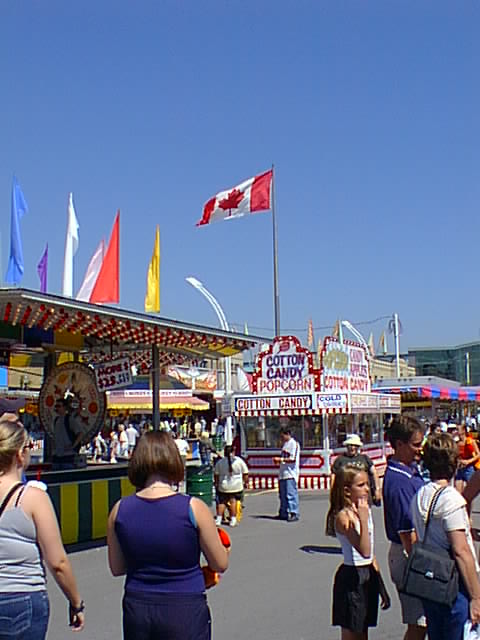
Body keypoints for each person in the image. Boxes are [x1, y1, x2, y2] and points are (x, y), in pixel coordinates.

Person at [107, 431, 229, 640]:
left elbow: (117, 568)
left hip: (138, 606)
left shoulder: (119, 510)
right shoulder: (193, 508)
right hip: (184, 605)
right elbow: (220, 563)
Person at [0, 415, 85, 637]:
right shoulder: (32, 498)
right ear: (20, 454)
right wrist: (76, 602)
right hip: (22, 598)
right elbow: (57, 562)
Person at [411, 432, 480, 640]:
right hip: (454, 583)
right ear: (454, 463)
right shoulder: (451, 499)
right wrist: (476, 597)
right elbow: (461, 551)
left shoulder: (420, 494)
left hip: (431, 581)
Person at [328, 464, 389, 639]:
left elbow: (371, 555)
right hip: (351, 576)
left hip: (367, 574)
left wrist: (380, 585)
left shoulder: (364, 511)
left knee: (363, 630)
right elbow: (364, 550)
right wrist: (362, 519)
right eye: (361, 485)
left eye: (367, 484)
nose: (367, 489)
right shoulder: (344, 517)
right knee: (352, 630)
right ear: (347, 491)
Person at [382, 416, 426, 640]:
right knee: (419, 624)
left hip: (413, 551)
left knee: (424, 622)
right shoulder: (399, 481)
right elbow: (407, 532)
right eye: (416, 444)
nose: (420, 449)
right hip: (408, 555)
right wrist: (423, 565)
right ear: (399, 444)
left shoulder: (410, 470)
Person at [331, 434, 382, 506]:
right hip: (345, 497)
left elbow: (374, 473)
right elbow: (333, 477)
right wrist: (333, 494)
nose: (352, 448)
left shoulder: (365, 458)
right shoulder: (340, 460)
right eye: (350, 445)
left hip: (363, 496)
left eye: (355, 445)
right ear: (346, 446)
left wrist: (377, 490)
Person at [214, 445, 249, 527]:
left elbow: (216, 474)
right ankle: (233, 519)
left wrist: (217, 483)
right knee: (233, 501)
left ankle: (218, 519)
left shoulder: (220, 462)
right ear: (233, 451)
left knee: (222, 502)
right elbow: (245, 473)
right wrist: (245, 482)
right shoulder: (239, 461)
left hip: (224, 485)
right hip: (236, 485)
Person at [273, 429, 300, 522]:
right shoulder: (285, 444)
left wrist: (280, 459)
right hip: (283, 473)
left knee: (290, 494)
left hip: (290, 473)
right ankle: (283, 512)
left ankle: (294, 512)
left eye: (282, 436)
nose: (282, 438)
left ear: (287, 434)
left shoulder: (294, 444)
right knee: (282, 495)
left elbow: (293, 459)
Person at [52, 398, 84, 470]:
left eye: (59, 406)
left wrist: (73, 446)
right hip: (57, 455)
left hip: (68, 455)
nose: (57, 408)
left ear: (64, 407)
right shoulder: (56, 420)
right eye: (56, 406)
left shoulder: (69, 419)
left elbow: (80, 433)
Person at [455, 423, 480, 492]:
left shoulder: (470, 441)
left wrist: (468, 461)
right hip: (460, 468)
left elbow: (478, 454)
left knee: (471, 490)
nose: (456, 431)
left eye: (457, 429)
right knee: (458, 491)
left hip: (469, 468)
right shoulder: (457, 442)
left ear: (463, 430)